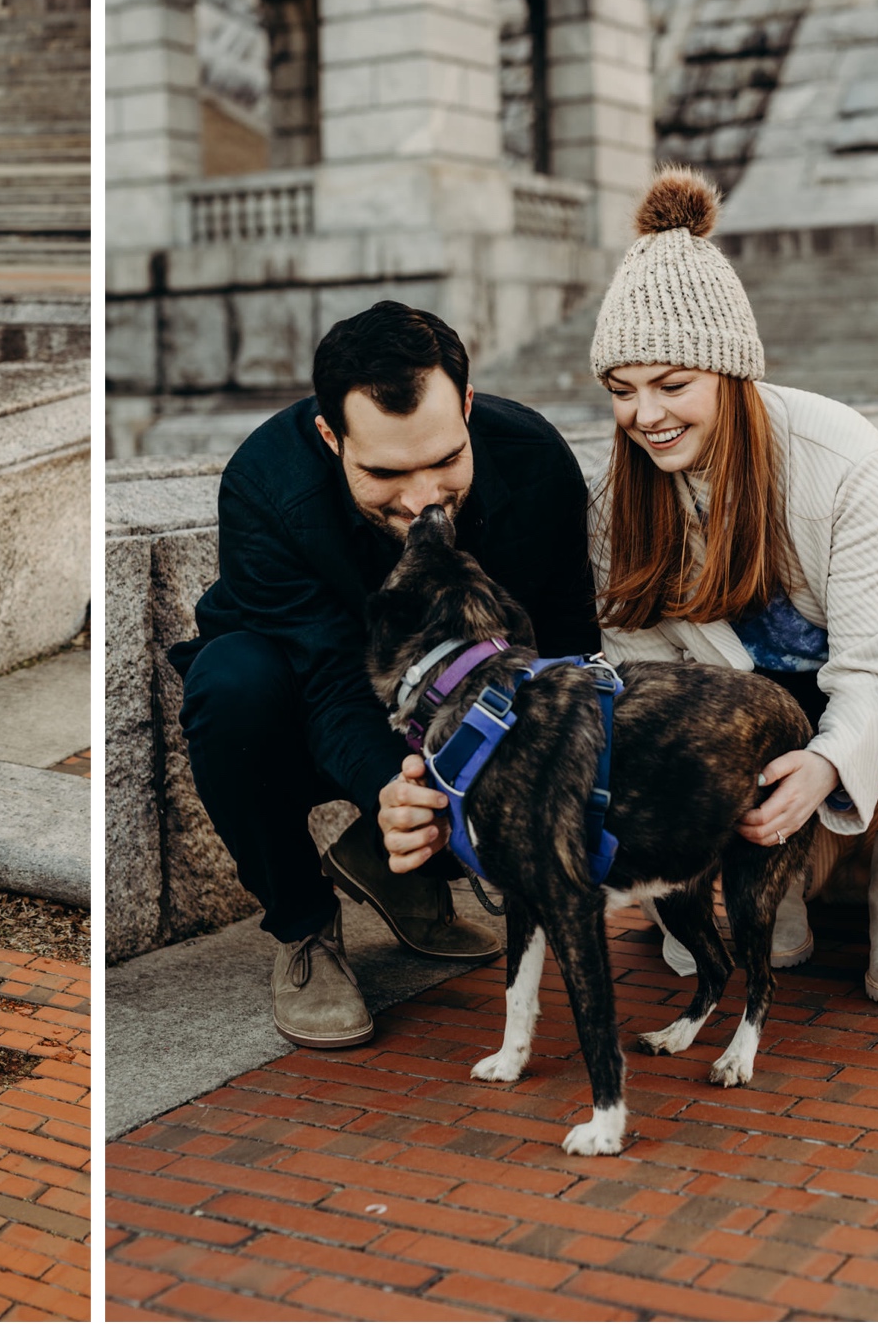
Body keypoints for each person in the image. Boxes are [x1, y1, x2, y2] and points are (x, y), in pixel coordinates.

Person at [586, 165, 878, 1003]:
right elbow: (647, 680)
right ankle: (775, 875)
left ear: (729, 375)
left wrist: (825, 765)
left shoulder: (841, 451)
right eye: (622, 391)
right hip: (744, 711)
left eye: (671, 385)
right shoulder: (617, 503)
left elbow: (871, 663)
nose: (644, 415)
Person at [173, 301, 603, 1049]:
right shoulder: (262, 484)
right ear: (329, 434)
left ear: (468, 407)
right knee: (230, 685)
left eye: (444, 460)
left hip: (461, 702)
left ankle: (393, 861)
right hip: (305, 702)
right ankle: (304, 927)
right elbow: (331, 682)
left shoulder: (536, 459)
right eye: (384, 472)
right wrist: (393, 794)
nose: (422, 499)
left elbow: (564, 650)